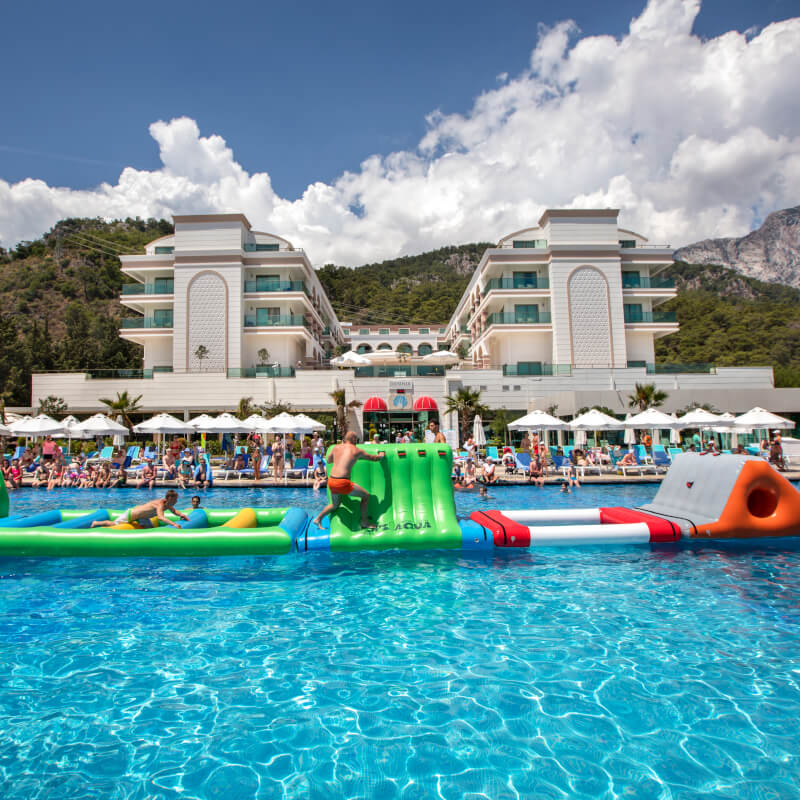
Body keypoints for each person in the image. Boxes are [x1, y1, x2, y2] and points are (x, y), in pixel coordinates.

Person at [312, 432, 385, 529]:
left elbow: (329, 461)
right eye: (356, 439)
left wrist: (340, 459)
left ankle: (318, 518)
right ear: (354, 439)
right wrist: (381, 455)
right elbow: (373, 458)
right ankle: (364, 522)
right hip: (342, 483)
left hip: (332, 481)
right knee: (366, 496)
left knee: (335, 505)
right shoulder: (356, 450)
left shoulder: (336, 447)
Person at [91, 490, 190, 528]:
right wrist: (174, 524)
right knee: (114, 524)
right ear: (169, 498)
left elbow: (174, 511)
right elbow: (160, 517)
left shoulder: (167, 504)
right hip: (132, 514)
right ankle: (96, 523)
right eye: (175, 499)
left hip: (143, 517)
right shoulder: (160, 504)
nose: (176, 501)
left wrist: (181, 515)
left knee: (151, 529)